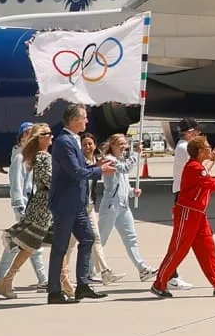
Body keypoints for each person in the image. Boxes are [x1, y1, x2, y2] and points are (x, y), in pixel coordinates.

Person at [151, 135, 215, 298]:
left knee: (207, 248)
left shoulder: (198, 166)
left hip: (198, 214)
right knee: (178, 249)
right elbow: (214, 184)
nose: (209, 148)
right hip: (188, 213)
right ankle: (159, 284)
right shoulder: (194, 168)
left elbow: (209, 186)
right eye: (206, 147)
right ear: (199, 151)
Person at [46, 104, 116, 305]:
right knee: (60, 247)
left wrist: (97, 166)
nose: (86, 121)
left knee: (88, 239)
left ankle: (83, 285)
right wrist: (99, 171)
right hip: (65, 204)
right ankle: (54, 291)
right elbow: (76, 172)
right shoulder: (64, 142)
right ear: (74, 120)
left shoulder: (73, 140)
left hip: (78, 204)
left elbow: (83, 167)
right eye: (84, 118)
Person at [0, 124, 56, 298]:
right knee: (30, 245)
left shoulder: (40, 156)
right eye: (48, 134)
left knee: (28, 245)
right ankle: (6, 280)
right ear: (40, 137)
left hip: (43, 205)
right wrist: (19, 206)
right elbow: (44, 181)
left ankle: (3, 279)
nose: (52, 136)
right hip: (40, 207)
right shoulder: (38, 157)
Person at [62, 132, 121, 287]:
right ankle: (63, 273)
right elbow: (83, 174)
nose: (88, 147)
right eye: (85, 144)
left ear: (95, 145)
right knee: (71, 243)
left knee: (95, 237)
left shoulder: (96, 161)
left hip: (89, 205)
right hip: (77, 206)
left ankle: (105, 272)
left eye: (90, 144)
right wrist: (97, 168)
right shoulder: (79, 161)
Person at [98, 134, 157, 281]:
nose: (124, 147)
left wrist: (132, 192)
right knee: (100, 240)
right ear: (112, 145)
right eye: (120, 144)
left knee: (131, 238)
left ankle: (142, 268)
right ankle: (89, 271)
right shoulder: (109, 160)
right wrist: (137, 154)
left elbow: (123, 184)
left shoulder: (121, 160)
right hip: (111, 205)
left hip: (123, 206)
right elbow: (125, 169)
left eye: (125, 144)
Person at [168, 117, 203, 290]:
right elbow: (198, 169)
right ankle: (170, 275)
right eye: (197, 132)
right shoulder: (183, 148)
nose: (199, 135)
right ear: (190, 132)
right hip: (183, 196)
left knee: (202, 238)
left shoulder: (184, 148)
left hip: (189, 196)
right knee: (181, 240)